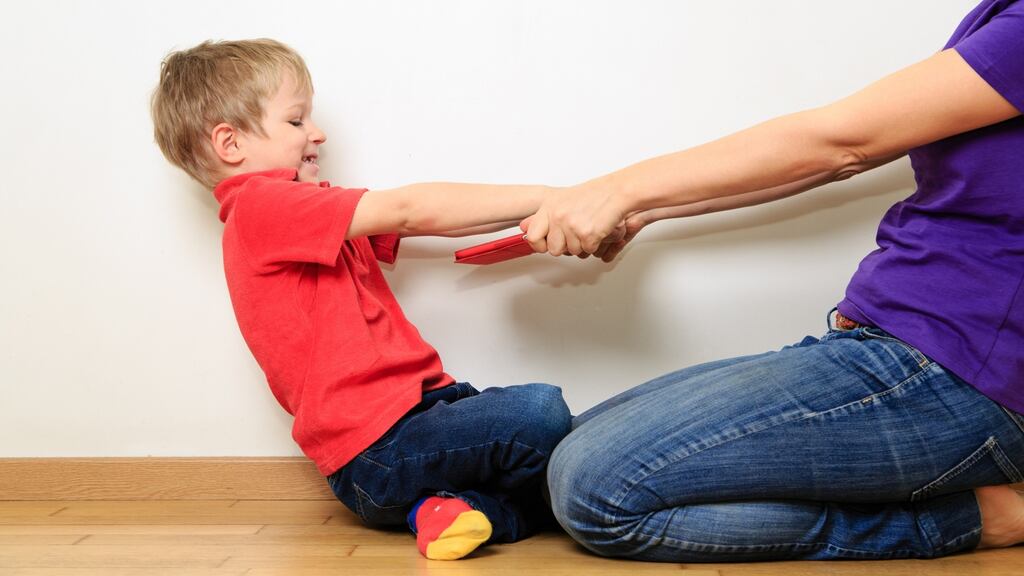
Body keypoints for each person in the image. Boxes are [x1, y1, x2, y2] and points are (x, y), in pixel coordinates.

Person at [530, 0, 1024, 561]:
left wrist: (619, 191)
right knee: (556, 454)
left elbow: (841, 144)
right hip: (887, 345)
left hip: (960, 373)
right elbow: (845, 157)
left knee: (599, 490)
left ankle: (971, 520)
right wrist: (648, 209)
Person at [150, 38, 572, 561]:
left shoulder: (306, 208)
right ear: (230, 144)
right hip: (379, 450)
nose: (317, 133)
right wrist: (551, 196)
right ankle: (453, 503)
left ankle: (446, 511)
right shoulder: (263, 207)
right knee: (542, 412)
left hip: (418, 421)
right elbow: (413, 210)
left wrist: (535, 221)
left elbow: (432, 228)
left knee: (565, 456)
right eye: (297, 120)